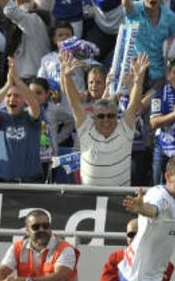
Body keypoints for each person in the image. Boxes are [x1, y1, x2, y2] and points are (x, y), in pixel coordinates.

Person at [62, 52, 148, 186]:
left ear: (117, 116)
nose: (106, 119)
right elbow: (74, 103)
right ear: (93, 118)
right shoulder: (86, 128)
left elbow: (133, 104)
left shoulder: (125, 129)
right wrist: (66, 77)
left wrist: (138, 81)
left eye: (111, 115)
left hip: (119, 201)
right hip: (89, 200)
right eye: (101, 116)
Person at [0, 209, 80, 281]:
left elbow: (59, 279)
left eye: (45, 226)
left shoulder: (65, 249)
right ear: (27, 231)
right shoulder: (17, 248)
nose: (41, 229)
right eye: (36, 227)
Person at [0, 58, 43, 183]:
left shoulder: (30, 117)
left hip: (30, 181)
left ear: (24, 100)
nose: (12, 99)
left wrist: (17, 80)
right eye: (8, 96)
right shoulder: (1, 118)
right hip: (3, 181)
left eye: (17, 96)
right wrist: (8, 85)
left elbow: (34, 104)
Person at [123, 0, 175, 84]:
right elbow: (126, 4)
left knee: (148, 101)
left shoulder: (170, 17)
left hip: (157, 74)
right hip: (133, 72)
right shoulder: (135, 9)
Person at [100, 218, 174, 281]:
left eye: (140, 233)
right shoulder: (116, 258)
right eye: (131, 234)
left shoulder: (163, 262)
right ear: (127, 238)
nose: (135, 237)